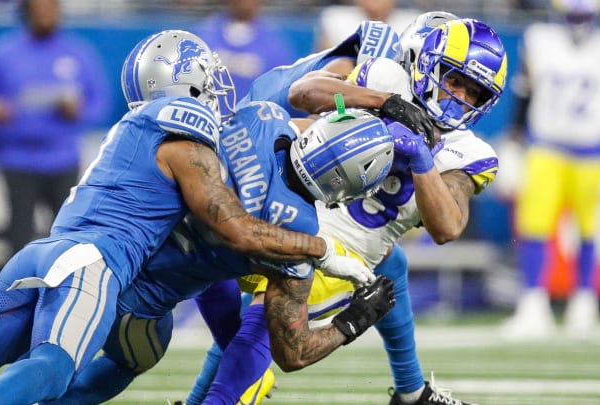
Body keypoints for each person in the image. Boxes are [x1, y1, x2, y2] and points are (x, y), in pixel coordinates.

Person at [0, 29, 379, 405]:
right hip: (94, 264)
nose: (219, 91)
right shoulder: (184, 128)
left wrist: (346, 315)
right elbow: (234, 227)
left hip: (55, 256)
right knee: (56, 364)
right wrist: (321, 251)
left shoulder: (204, 124)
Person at [189, 15, 506, 405]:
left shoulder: (469, 151)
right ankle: (412, 393)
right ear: (428, 65)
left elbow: (447, 227)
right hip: (290, 205)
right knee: (210, 256)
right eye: (455, 80)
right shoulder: (386, 79)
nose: (460, 97)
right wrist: (379, 102)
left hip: (341, 252)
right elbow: (304, 94)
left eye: (475, 93)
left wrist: (421, 157)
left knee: (269, 312)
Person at [501, 0, 600, 340]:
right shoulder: (540, 38)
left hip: (595, 149)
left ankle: (585, 302)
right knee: (534, 224)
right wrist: (514, 142)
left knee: (592, 229)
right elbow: (525, 91)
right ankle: (534, 303)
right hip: (546, 147)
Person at [0, 0, 111, 256]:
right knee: (19, 235)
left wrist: (78, 110)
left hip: (61, 160)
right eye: (38, 8)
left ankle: (63, 292)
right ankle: (19, 294)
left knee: (66, 235)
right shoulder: (3, 53)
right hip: (17, 160)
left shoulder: (78, 53)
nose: (44, 14)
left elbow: (101, 103)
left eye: (50, 8)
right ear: (26, 12)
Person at [195, 0, 296, 100]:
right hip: (211, 112)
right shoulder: (205, 35)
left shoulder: (274, 44)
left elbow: (280, 90)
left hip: (253, 114)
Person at [315, 0, 421, 51]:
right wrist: (339, 96)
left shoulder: (414, 23)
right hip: (345, 93)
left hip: (399, 93)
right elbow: (323, 76)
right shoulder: (336, 19)